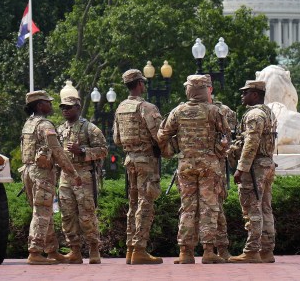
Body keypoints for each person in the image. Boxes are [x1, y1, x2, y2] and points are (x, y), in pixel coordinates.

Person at [157, 75, 230, 264]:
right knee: (209, 206)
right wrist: (218, 151)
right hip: (209, 165)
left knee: (187, 207)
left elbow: (161, 134)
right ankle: (208, 251)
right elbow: (226, 138)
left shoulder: (178, 111)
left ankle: (185, 252)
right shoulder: (214, 111)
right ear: (206, 90)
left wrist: (171, 150)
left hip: (185, 165)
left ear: (189, 90)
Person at [20, 90, 82, 265]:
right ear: (40, 105)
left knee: (44, 212)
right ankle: (35, 252)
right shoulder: (45, 125)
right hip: (42, 174)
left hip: (28, 171)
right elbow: (58, 152)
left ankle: (51, 251)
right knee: (41, 213)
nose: (51, 104)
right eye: (48, 102)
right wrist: (73, 173)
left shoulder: (28, 124)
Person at [113, 69, 163, 265]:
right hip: (146, 161)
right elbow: (159, 135)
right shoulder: (146, 107)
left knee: (133, 204)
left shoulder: (120, 108)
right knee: (145, 203)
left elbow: (117, 139)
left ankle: (130, 248)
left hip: (129, 160)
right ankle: (140, 249)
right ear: (140, 84)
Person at [228, 80, 277, 263]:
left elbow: (251, 143)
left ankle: (251, 251)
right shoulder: (268, 113)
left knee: (252, 208)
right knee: (265, 208)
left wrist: (241, 168)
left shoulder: (255, 114)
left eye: (245, 92)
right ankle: (267, 250)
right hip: (267, 164)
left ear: (255, 95)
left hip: (255, 167)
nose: (242, 96)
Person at [56, 96, 107, 264]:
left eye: (69, 107)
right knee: (67, 215)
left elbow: (103, 150)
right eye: (63, 107)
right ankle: (74, 251)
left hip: (84, 175)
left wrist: (82, 151)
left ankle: (94, 249)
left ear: (78, 108)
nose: (65, 110)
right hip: (65, 177)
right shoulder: (59, 129)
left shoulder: (90, 129)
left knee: (87, 214)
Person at [207, 77, 237, 261]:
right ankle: (187, 250)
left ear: (209, 89)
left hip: (216, 167)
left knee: (216, 209)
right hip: (193, 168)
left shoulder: (225, 111)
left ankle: (222, 249)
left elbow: (229, 142)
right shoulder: (185, 110)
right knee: (189, 209)